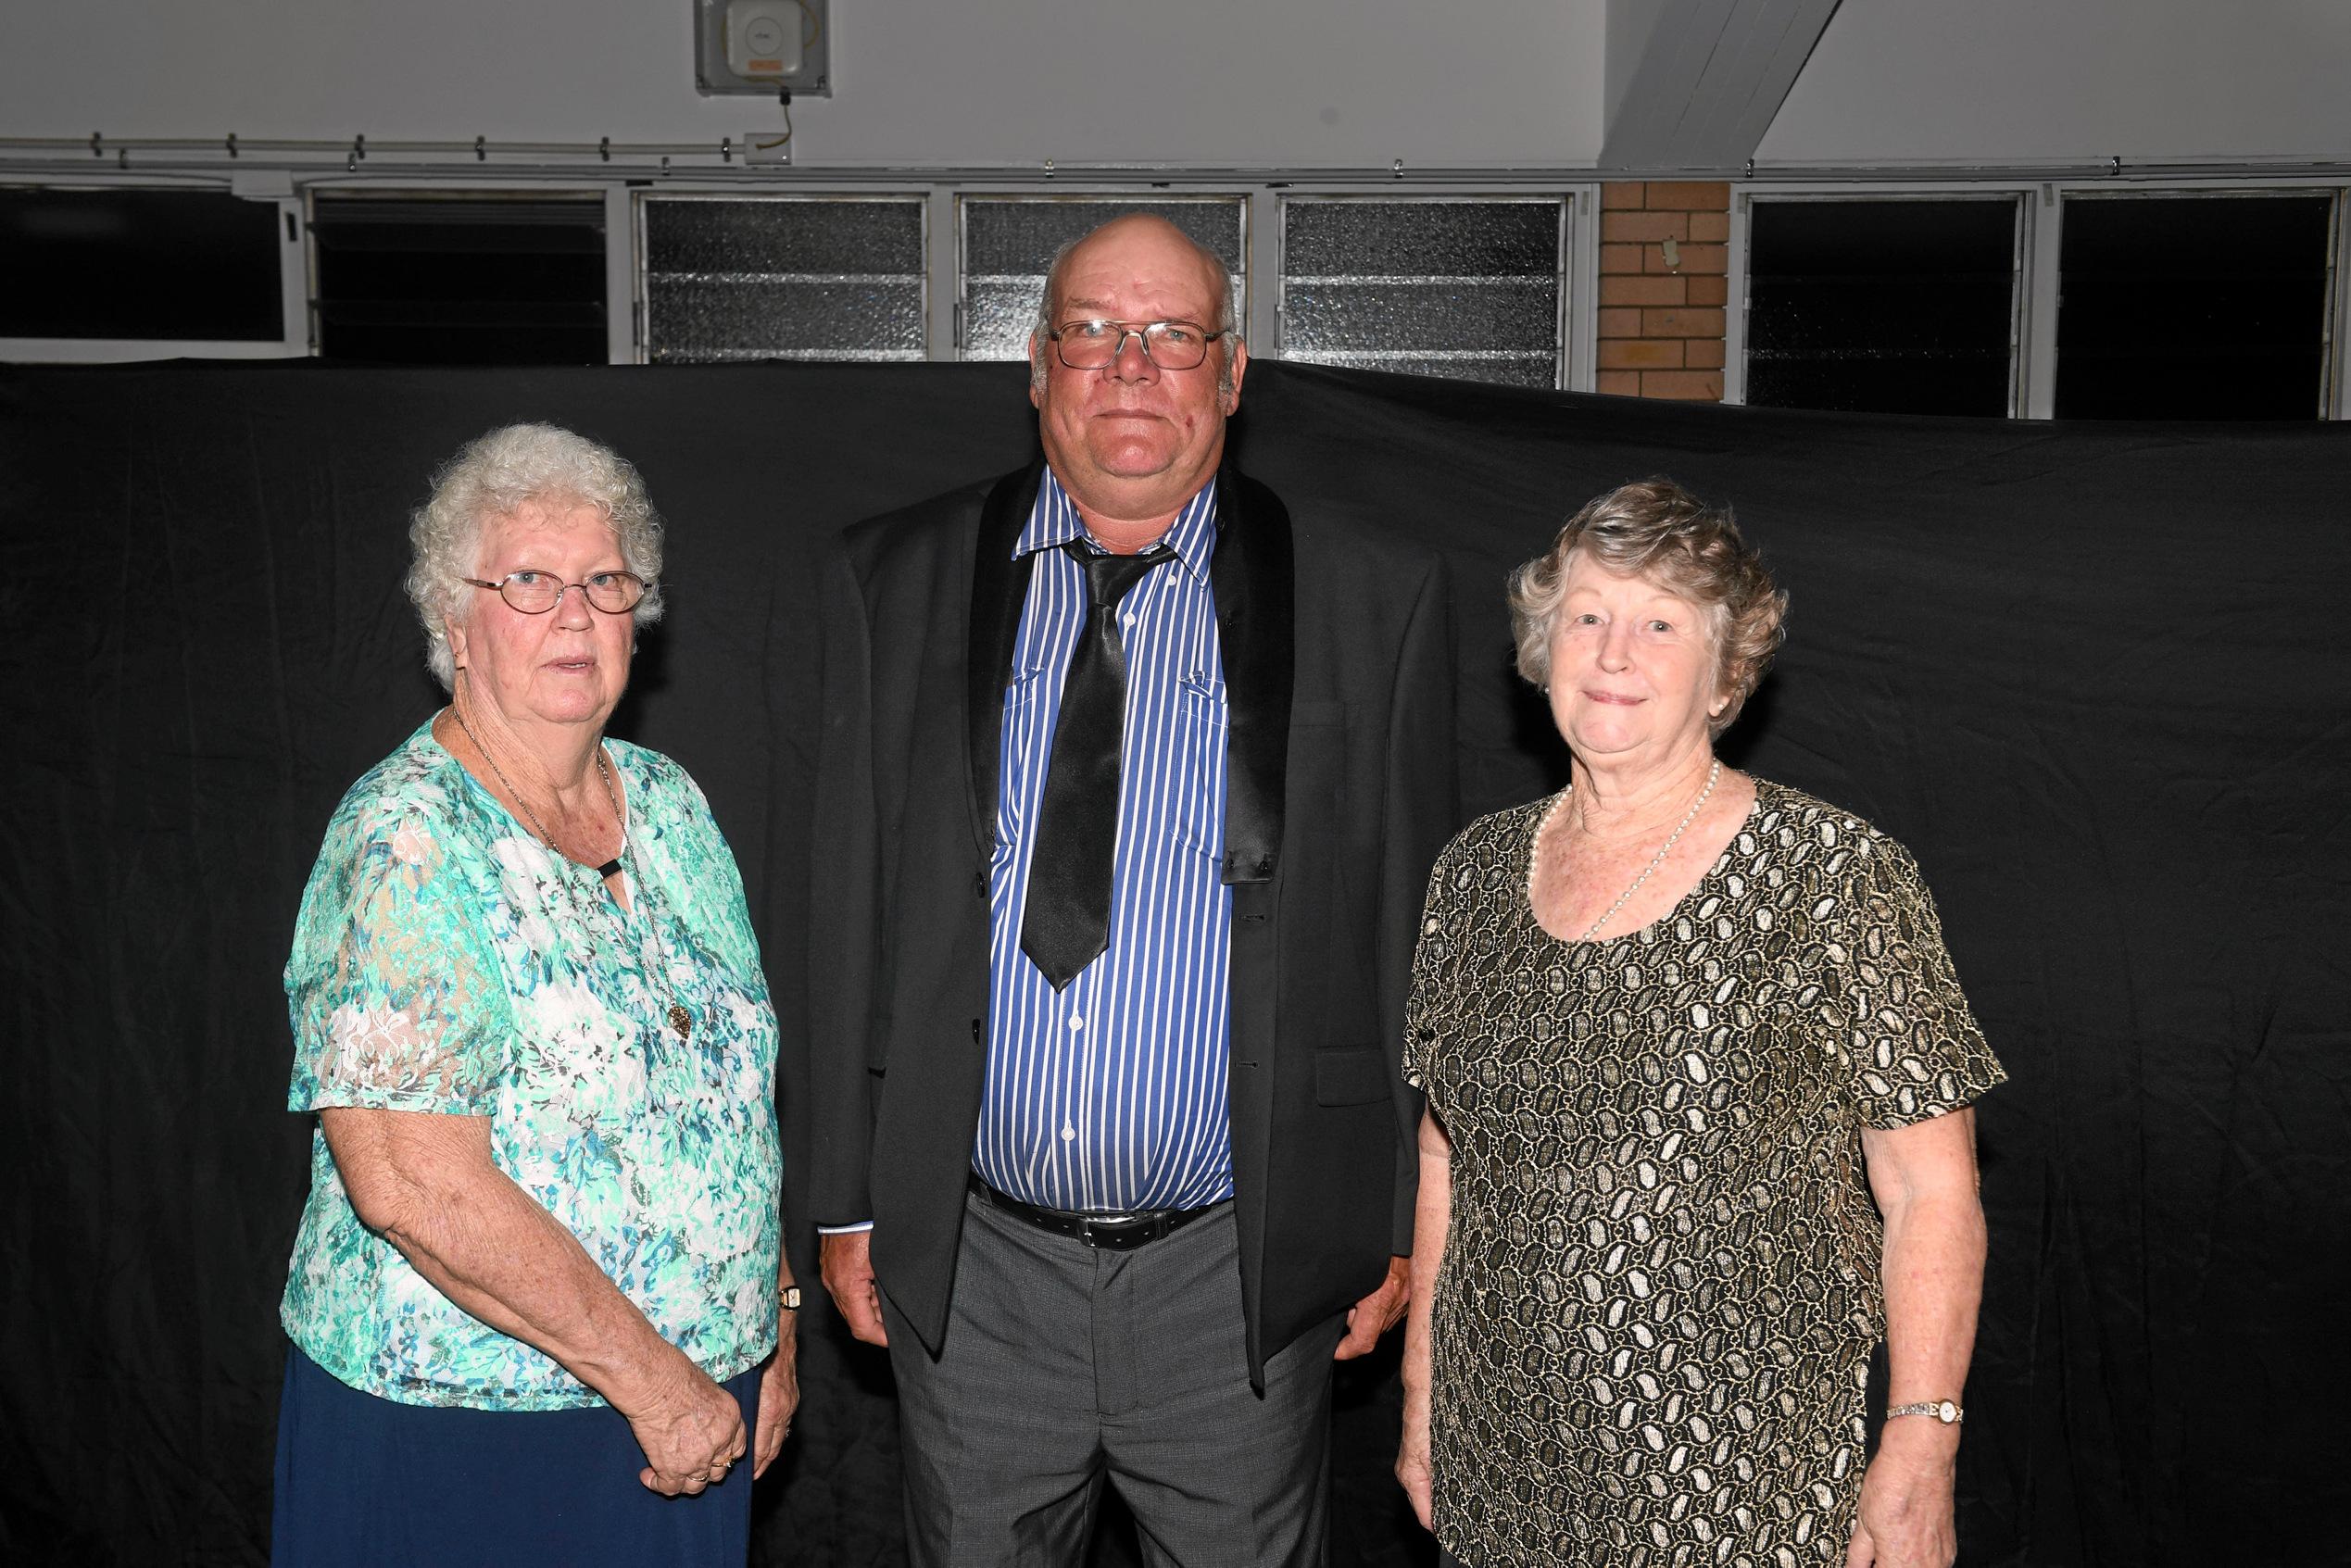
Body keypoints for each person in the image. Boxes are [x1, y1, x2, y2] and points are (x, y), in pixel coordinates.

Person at [807, 213, 1457, 1565]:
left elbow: (1411, 929)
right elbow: (846, 904)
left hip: (1233, 1279)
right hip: (972, 1268)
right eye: (1095, 333)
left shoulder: (1368, 593)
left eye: (1172, 336)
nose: (1130, 366)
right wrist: (845, 1200)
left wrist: (1386, 1219)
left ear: (1229, 377)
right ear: (1039, 369)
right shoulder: (895, 579)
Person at [1396, 479, 2005, 1568]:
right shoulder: (1473, 873)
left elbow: (1931, 1189)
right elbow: (1446, 1159)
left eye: (1659, 623)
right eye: (1588, 615)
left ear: (1725, 673)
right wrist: (1420, 1398)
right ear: (1545, 644)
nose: (1614, 653)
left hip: (1752, 1477)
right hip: (1507, 1461)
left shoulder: (1834, 877)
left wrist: (1923, 1445)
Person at [271, 424, 798, 1567]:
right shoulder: (406, 840)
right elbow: (412, 1184)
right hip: (469, 1432)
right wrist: (658, 1383)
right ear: (452, 623)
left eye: (606, 582)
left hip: (693, 1414)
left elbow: (736, 1099)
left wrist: (778, 1319)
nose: (576, 612)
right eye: (528, 581)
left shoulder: (668, 806)